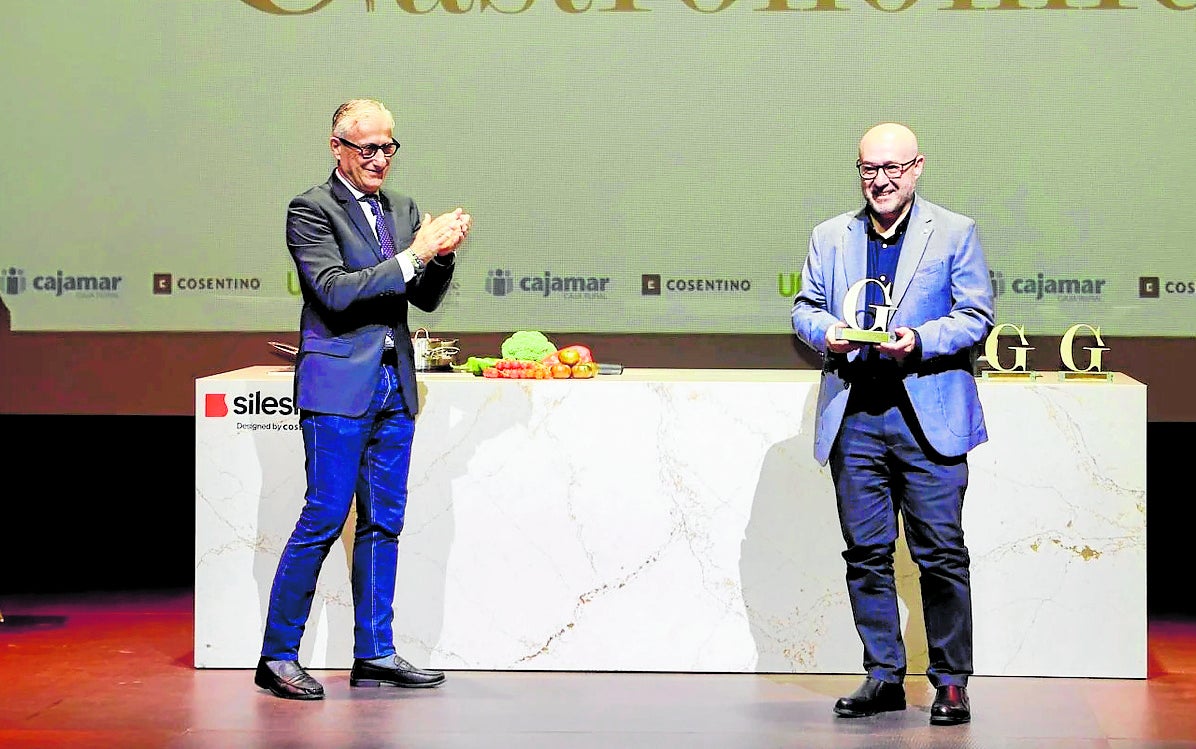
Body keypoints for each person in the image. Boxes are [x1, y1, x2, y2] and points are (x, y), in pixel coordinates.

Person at [255, 98, 471, 700]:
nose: (380, 158)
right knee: (324, 516)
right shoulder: (311, 209)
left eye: (388, 146)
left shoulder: (402, 209)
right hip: (336, 385)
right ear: (338, 148)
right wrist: (417, 252)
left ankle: (374, 652)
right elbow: (335, 293)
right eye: (368, 147)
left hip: (391, 383)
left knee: (384, 522)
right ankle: (276, 656)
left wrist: (442, 256)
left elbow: (422, 299)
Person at [790, 123, 993, 725]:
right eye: (868, 169)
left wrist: (921, 340)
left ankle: (951, 682)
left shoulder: (955, 232)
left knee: (941, 555)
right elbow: (804, 307)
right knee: (867, 555)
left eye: (892, 169)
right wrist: (820, 331)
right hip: (854, 417)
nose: (880, 180)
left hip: (925, 419)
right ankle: (883, 676)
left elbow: (976, 314)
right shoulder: (831, 236)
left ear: (917, 168)